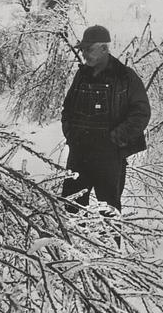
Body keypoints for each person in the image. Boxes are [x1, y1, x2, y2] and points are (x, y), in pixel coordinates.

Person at [61, 25, 151, 220]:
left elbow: (141, 113)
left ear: (104, 48)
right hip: (79, 155)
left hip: (109, 158)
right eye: (83, 49)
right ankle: (72, 250)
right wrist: (71, 134)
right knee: (71, 211)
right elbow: (67, 109)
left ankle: (108, 251)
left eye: (89, 49)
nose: (84, 54)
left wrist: (115, 139)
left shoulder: (126, 77)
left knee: (109, 214)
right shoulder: (81, 75)